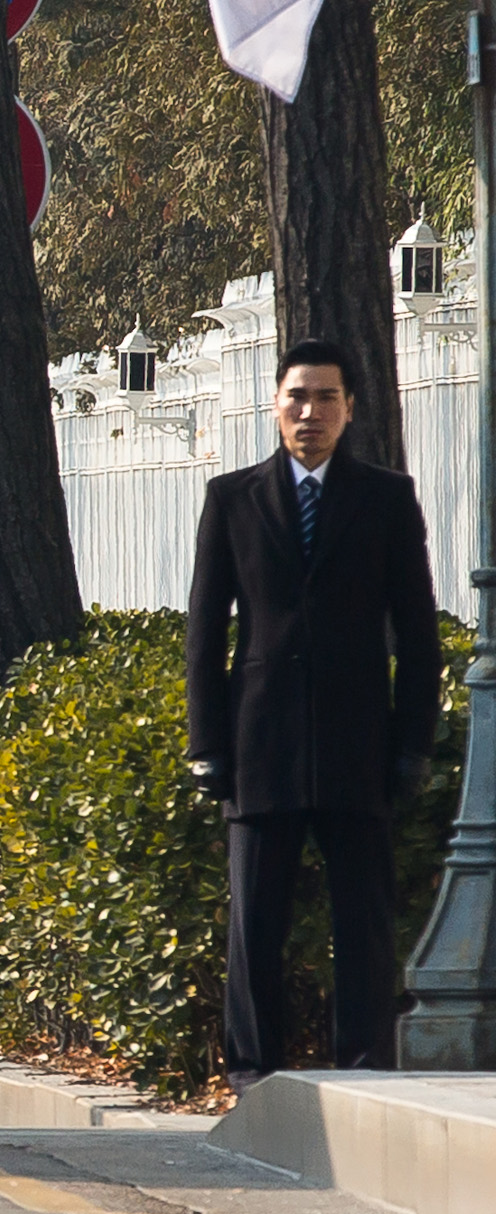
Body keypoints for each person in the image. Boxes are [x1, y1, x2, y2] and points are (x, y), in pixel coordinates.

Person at [186, 338, 442, 1090]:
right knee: (253, 924)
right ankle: (253, 1076)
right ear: (274, 405)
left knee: (362, 923)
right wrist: (208, 746)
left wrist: (412, 745)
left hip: (358, 744)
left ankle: (363, 1071)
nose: (310, 412)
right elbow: (205, 635)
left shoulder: (386, 498)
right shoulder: (233, 499)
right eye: (297, 397)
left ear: (350, 408)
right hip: (259, 745)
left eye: (326, 397)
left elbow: (419, 636)